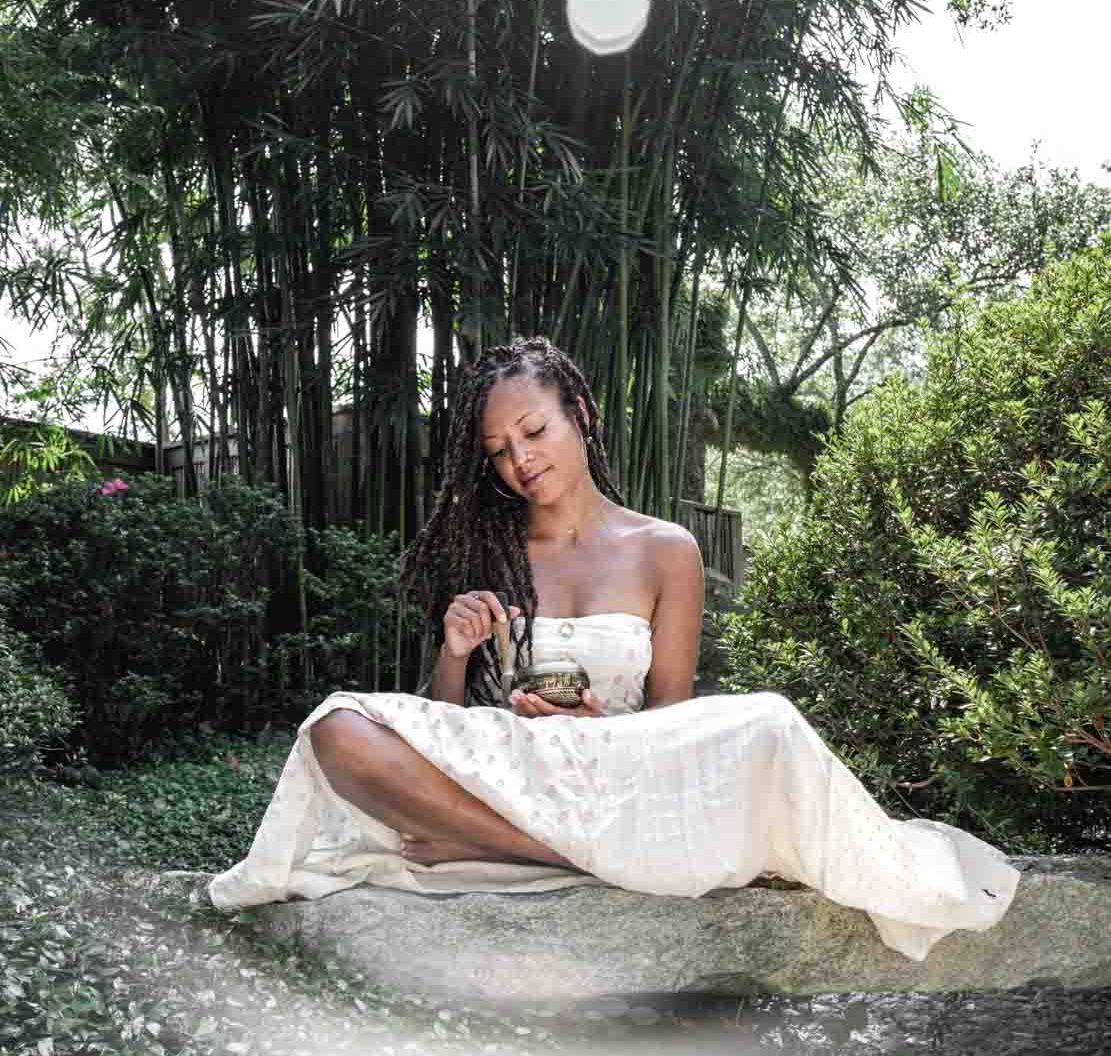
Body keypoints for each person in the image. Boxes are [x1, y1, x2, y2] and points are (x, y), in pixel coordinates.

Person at [209, 336, 1019, 961]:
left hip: (625, 768)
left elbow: (672, 715)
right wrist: (455, 653)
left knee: (768, 720)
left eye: (533, 431)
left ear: (579, 417)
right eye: (498, 450)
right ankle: (539, 847)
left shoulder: (666, 549)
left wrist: (604, 723)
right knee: (334, 727)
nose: (520, 460)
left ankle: (498, 844)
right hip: (519, 766)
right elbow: (443, 728)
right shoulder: (492, 553)